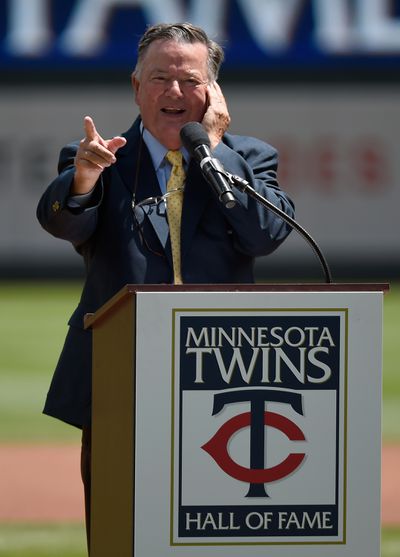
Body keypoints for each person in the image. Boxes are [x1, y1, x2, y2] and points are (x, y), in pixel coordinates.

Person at [37, 22, 295, 549]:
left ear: (213, 92)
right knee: (120, 532)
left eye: (189, 80)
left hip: (225, 380)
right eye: (159, 79)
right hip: (120, 376)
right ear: (136, 87)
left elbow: (267, 234)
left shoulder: (248, 158)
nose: (173, 92)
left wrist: (214, 151)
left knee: (219, 531)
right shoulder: (97, 157)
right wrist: (85, 177)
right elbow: (65, 220)